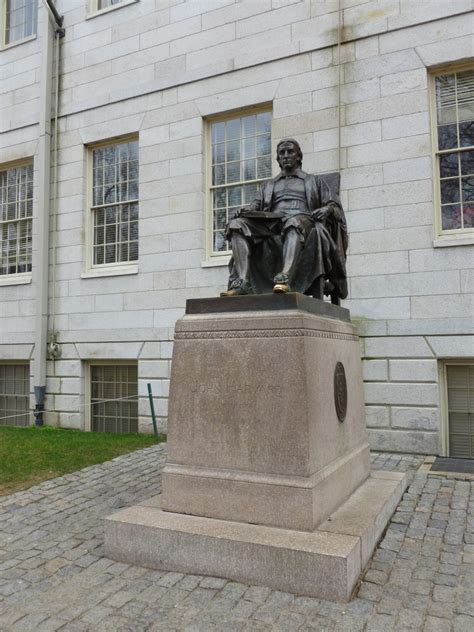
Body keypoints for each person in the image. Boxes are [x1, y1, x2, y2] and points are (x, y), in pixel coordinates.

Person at [221, 138, 348, 303]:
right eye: (282, 153)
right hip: (272, 223)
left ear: (298, 157)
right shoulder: (268, 185)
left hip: (303, 220)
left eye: (290, 152)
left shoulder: (314, 181)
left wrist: (327, 209)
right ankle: (242, 282)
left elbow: (334, 206)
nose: (286, 155)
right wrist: (245, 211)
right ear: (278, 158)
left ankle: (284, 278)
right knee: (236, 225)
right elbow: (255, 206)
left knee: (293, 222)